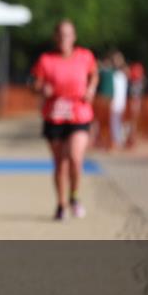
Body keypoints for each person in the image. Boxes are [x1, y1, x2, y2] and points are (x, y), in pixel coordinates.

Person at [32, 19, 99, 220]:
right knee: (60, 163)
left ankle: (75, 197)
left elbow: (94, 75)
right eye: (60, 34)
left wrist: (91, 89)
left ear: (74, 37)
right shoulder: (46, 60)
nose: (64, 38)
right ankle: (61, 204)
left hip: (79, 113)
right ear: (55, 37)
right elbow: (35, 84)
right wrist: (42, 89)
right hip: (55, 115)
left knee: (75, 158)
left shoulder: (85, 56)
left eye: (68, 34)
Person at [109, 52, 129, 148]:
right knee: (114, 121)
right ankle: (116, 140)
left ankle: (121, 140)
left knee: (122, 121)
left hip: (122, 101)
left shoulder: (123, 73)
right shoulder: (112, 73)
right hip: (114, 101)